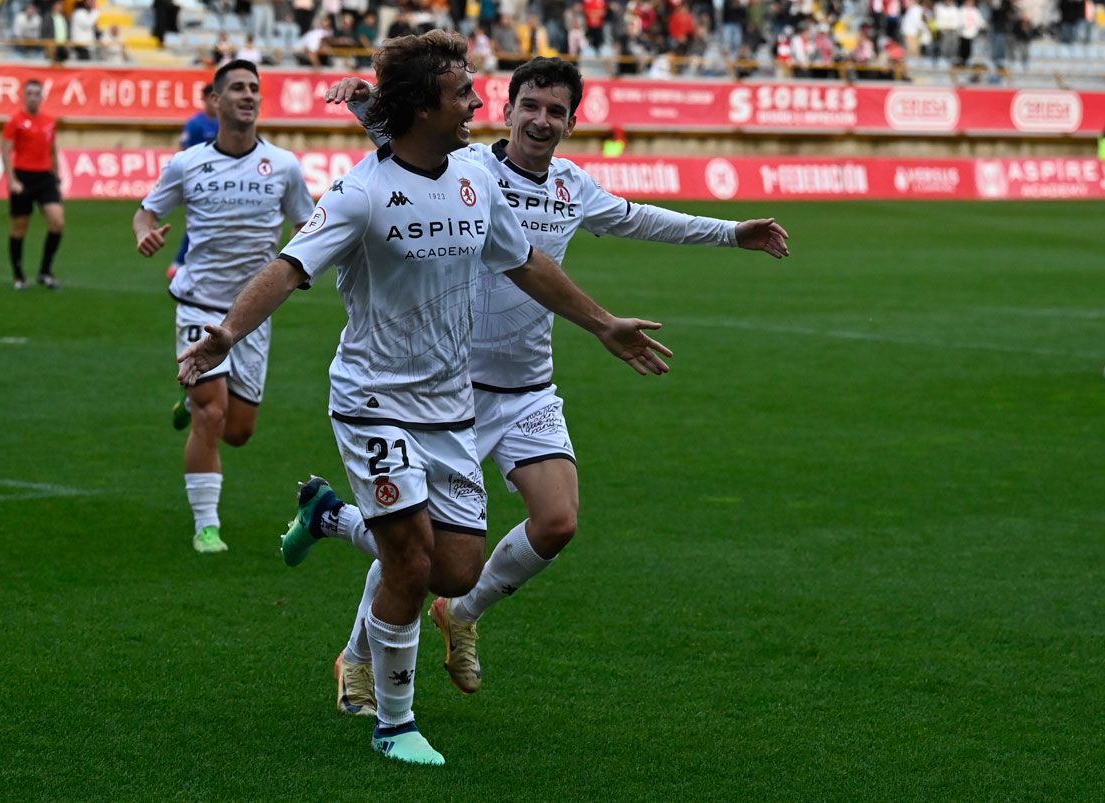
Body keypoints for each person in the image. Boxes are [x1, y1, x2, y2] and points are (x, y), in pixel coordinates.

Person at [174, 32, 671, 766]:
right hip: (373, 399)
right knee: (409, 560)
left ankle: (332, 517)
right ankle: (394, 720)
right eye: (462, 93)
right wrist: (223, 334)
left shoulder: (475, 184)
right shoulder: (362, 191)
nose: (476, 102)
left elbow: (526, 263)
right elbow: (288, 267)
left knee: (455, 569)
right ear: (422, 107)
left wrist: (603, 325)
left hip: (450, 406)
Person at [293, 58, 787, 715]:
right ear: (508, 108)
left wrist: (732, 233)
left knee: (557, 521)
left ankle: (461, 611)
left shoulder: (571, 187)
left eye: (556, 111)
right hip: (451, 393)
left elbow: (640, 218)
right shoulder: (466, 169)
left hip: (528, 387)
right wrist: (369, 105)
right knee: (417, 544)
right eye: (531, 105)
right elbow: (400, 142)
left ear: (572, 122)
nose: (541, 119)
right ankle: (356, 653)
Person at [133, 60, 315, 554]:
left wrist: (301, 265)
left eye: (254, 88)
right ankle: (205, 525)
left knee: (238, 431)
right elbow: (146, 210)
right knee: (210, 415)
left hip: (252, 314)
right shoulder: (188, 163)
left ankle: (188, 400)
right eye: (236, 88)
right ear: (215, 101)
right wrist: (144, 233)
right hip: (198, 305)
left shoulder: (284, 166)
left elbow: (306, 225)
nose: (247, 95)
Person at [1, 79, 65, 290]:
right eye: (29, 93)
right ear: (23, 96)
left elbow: (52, 149)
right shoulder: (15, 121)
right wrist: (12, 180)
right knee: (20, 228)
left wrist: (56, 174)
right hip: (23, 177)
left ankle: (45, 272)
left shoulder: (49, 121)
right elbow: (5, 150)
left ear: (42, 97)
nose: (33, 97)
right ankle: (18, 275)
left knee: (57, 222)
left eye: (37, 93)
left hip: (45, 177)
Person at [166, 85, 221, 279]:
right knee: (202, 222)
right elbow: (183, 151)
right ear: (205, 99)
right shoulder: (196, 124)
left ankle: (193, 264)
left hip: (220, 182)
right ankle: (179, 263)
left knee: (213, 222)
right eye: (212, 98)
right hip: (198, 181)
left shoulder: (225, 124)